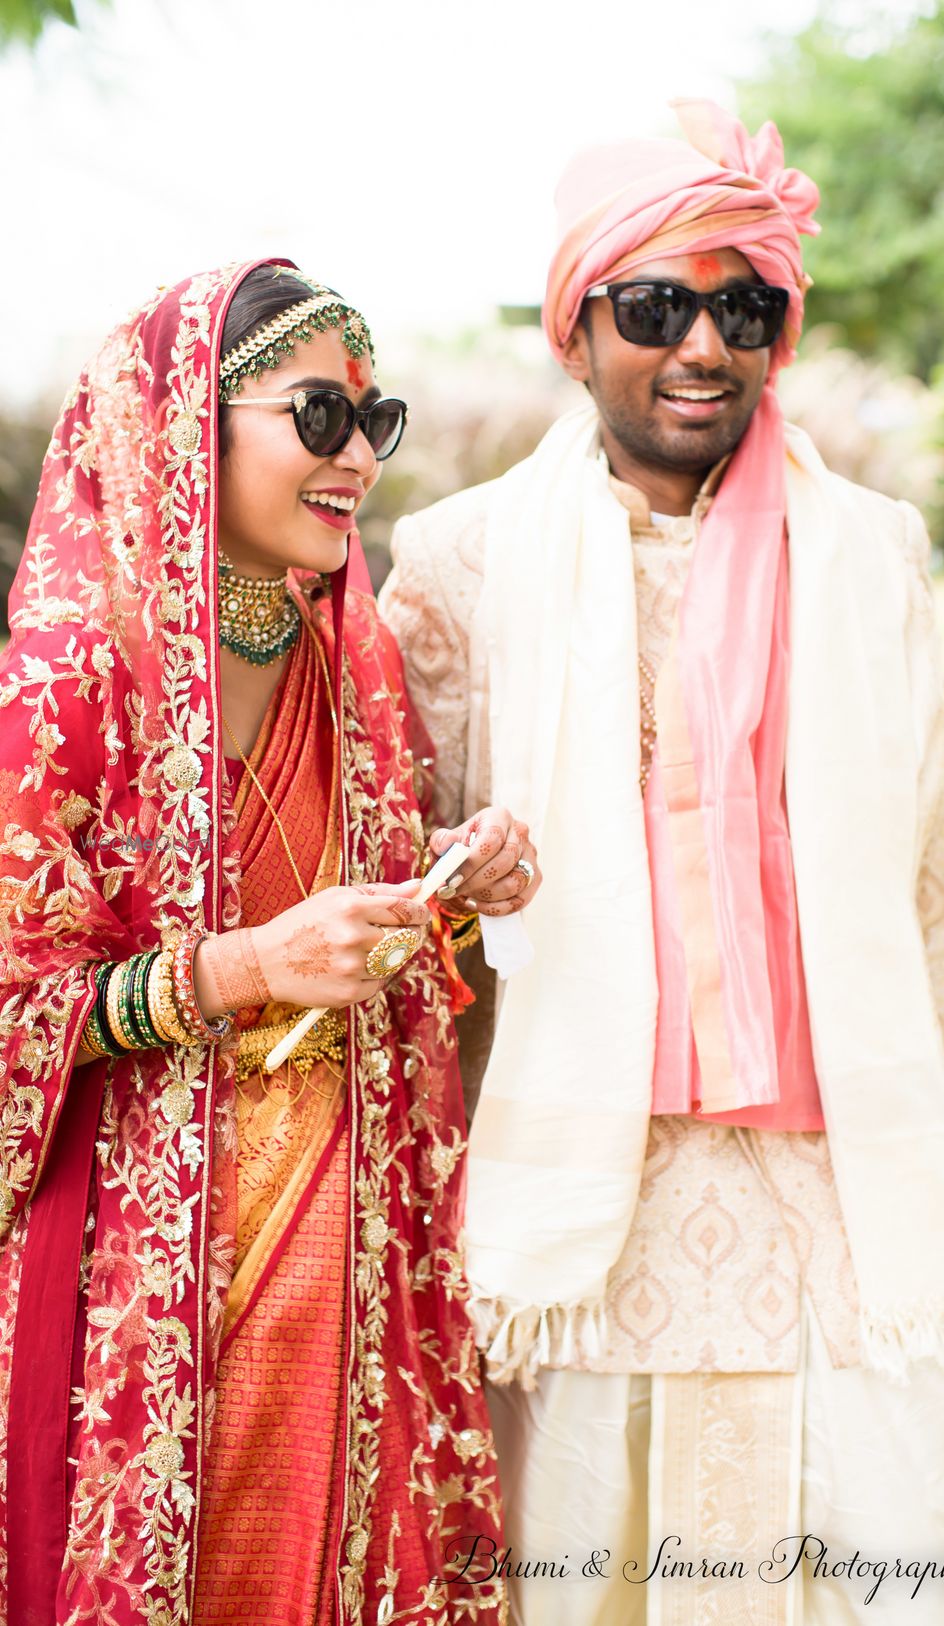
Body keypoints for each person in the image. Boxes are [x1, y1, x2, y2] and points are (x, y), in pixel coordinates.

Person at [380, 102, 944, 1624]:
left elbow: (936, 883)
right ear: (574, 326)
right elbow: (395, 895)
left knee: (892, 1551)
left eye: (745, 307)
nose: (703, 348)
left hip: (831, 1176)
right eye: (656, 306)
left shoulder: (869, 553)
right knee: (581, 1561)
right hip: (578, 1191)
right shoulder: (460, 563)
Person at [0, 259, 540, 1624]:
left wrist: (459, 882)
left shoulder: (342, 658)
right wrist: (239, 969)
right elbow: (15, 1003)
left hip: (346, 1243)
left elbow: (366, 916)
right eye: (318, 416)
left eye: (377, 421)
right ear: (193, 419)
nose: (358, 455)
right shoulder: (73, 675)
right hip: (143, 1268)